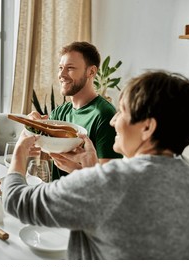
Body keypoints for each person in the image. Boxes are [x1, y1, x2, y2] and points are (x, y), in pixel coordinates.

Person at [3, 70, 189, 259]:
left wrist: (21, 149)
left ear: (147, 127)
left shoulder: (110, 182)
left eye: (122, 111)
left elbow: (15, 200)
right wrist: (90, 170)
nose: (113, 121)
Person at [29, 41, 122, 180]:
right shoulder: (58, 113)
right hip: (57, 194)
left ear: (91, 72)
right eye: (60, 68)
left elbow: (109, 182)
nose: (62, 74)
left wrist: (74, 169)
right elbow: (42, 154)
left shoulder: (104, 114)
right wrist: (32, 129)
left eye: (70, 68)